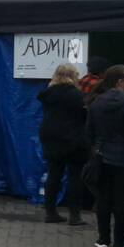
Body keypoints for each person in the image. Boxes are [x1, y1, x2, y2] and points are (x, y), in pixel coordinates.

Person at [37, 63, 89, 226]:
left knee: (54, 175)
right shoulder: (76, 95)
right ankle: (75, 215)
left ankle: (50, 211)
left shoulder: (48, 94)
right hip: (73, 138)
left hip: (50, 136)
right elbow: (83, 116)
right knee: (75, 177)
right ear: (73, 75)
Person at [87, 65, 124, 247]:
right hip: (122, 158)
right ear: (120, 81)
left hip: (100, 156)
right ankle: (119, 242)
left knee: (103, 198)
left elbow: (89, 132)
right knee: (122, 200)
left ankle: (103, 238)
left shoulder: (96, 103)